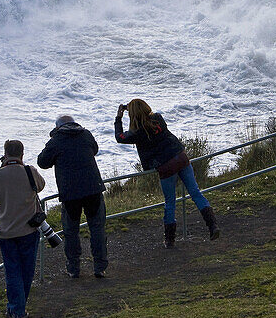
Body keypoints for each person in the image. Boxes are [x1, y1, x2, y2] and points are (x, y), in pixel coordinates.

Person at [115, 99, 220, 248]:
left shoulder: (137, 133)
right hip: (180, 157)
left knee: (170, 202)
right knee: (196, 192)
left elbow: (120, 137)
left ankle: (170, 240)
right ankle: (213, 226)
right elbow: (145, 116)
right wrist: (132, 108)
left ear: (133, 114)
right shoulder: (158, 118)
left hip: (166, 166)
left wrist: (119, 117)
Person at [37, 115, 108, 279]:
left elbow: (42, 162)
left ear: (58, 127)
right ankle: (100, 267)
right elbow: (95, 149)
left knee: (71, 232)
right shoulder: (86, 134)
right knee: (97, 228)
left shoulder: (56, 141)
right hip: (93, 188)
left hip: (70, 193)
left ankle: (73, 268)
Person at [0, 139, 47, 318]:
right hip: (29, 230)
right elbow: (41, 186)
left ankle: (16, 309)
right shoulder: (30, 171)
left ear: (5, 154)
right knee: (27, 270)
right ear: (22, 153)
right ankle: (19, 307)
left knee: (12, 271)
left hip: (6, 232)